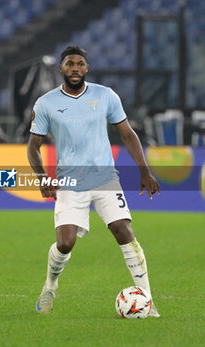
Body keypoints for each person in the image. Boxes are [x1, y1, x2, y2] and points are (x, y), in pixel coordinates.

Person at [27, 46, 160, 317]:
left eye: (80, 64)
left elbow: (128, 135)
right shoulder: (46, 103)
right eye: (69, 64)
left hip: (105, 178)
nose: (75, 68)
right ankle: (50, 286)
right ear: (61, 68)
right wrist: (42, 177)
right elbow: (33, 146)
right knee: (65, 243)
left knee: (124, 230)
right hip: (69, 181)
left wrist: (144, 170)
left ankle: (147, 299)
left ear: (86, 68)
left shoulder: (106, 95)